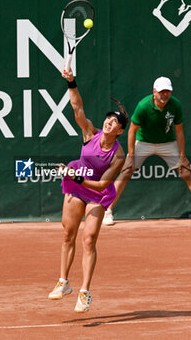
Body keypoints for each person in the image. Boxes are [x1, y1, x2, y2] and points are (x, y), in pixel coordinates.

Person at [48, 69, 128, 312]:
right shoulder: (89, 133)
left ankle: (84, 292)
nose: (108, 122)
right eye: (108, 119)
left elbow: (103, 185)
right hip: (77, 184)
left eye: (114, 122)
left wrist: (78, 178)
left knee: (89, 239)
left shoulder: (119, 156)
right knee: (67, 234)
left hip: (96, 192)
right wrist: (72, 82)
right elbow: (77, 108)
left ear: (120, 131)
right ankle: (63, 282)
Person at [103, 76, 191, 225]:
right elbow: (132, 130)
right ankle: (108, 211)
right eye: (162, 91)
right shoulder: (143, 106)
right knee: (125, 171)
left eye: (167, 91)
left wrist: (182, 155)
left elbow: (179, 131)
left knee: (186, 171)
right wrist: (131, 155)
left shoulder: (175, 105)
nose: (165, 95)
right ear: (154, 92)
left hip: (167, 143)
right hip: (144, 142)